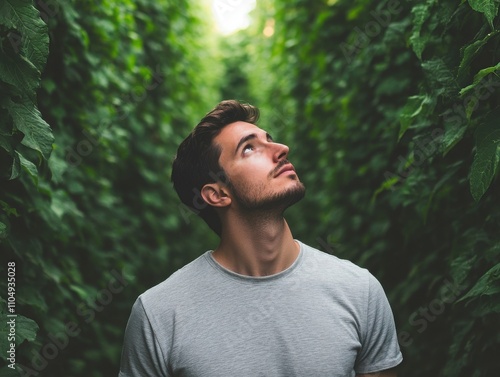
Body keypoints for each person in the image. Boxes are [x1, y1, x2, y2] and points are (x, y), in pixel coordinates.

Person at [119, 100, 403, 377]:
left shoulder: (359, 290)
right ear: (217, 194)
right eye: (249, 148)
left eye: (271, 139)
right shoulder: (159, 314)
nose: (282, 149)